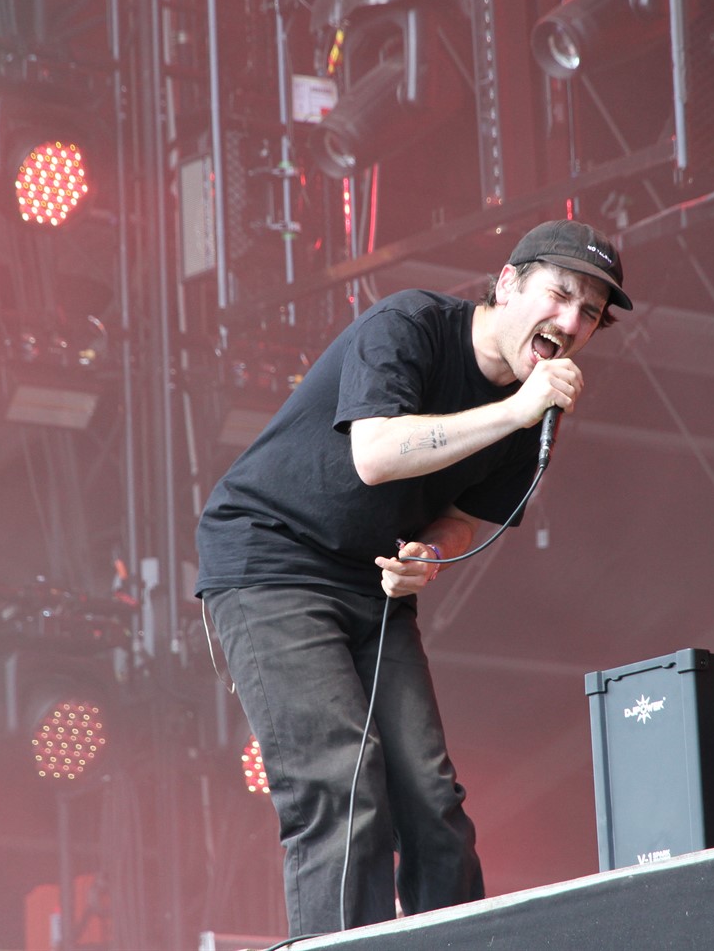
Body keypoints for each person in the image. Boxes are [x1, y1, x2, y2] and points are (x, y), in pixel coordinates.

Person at [195, 219, 631, 936]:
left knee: (432, 802)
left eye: (590, 312)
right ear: (507, 283)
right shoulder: (411, 326)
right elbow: (374, 453)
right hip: (273, 559)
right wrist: (514, 411)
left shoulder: (529, 411)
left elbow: (461, 518)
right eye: (559, 295)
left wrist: (428, 552)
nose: (571, 322)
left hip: (372, 582)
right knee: (342, 784)